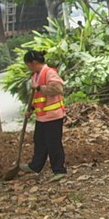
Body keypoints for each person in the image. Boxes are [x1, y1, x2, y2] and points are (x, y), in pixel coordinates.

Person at [20, 50, 67, 181]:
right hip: (42, 116)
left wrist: (40, 87)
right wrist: (31, 109)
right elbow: (37, 97)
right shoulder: (35, 75)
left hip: (53, 115)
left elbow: (58, 89)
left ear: (34, 63)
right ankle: (35, 166)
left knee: (53, 143)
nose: (28, 68)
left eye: (28, 65)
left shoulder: (49, 72)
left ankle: (59, 170)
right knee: (39, 141)